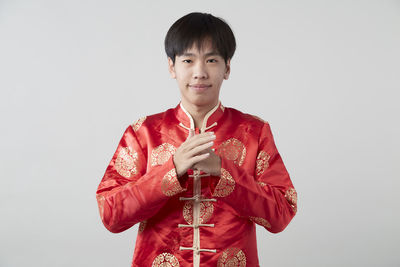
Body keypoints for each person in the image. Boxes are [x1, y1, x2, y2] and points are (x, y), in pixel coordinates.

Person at [96, 12, 297, 267]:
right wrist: (171, 170)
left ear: (227, 68)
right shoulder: (144, 132)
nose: (200, 72)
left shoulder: (254, 131)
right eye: (188, 60)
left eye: (211, 60)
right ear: (172, 67)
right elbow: (110, 215)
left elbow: (281, 213)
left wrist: (223, 171)